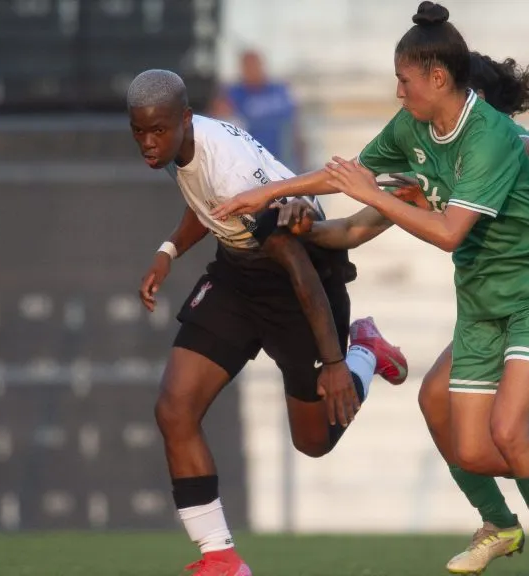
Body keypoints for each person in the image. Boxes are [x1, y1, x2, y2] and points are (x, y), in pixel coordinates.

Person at [209, 3, 529, 575]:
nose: (400, 96)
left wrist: (367, 194)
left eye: (406, 83)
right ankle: (502, 523)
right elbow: (357, 219)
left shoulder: (504, 143)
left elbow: (439, 225)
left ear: (453, 90)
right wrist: (289, 216)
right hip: (495, 303)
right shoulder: (431, 148)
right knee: (442, 404)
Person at [127, 68, 408, 576]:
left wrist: (335, 363)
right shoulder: (177, 145)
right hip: (239, 276)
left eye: (157, 131)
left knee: (313, 442)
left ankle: (365, 349)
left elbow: (297, 265)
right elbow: (205, 204)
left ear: (184, 119)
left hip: (300, 283)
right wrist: (168, 251)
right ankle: (221, 558)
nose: (148, 142)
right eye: (139, 131)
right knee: (174, 408)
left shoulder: (228, 167)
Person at [209, 50, 307, 171]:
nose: (252, 70)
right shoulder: (232, 93)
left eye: (255, 65)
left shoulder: (280, 90)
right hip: (251, 165)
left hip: (282, 162)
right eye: (247, 66)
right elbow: (217, 128)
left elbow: (295, 128)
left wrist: (302, 163)